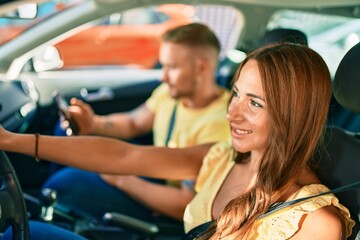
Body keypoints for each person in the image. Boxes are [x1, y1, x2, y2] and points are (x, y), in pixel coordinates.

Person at [0, 43, 355, 239]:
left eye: (255, 103)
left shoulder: (315, 223)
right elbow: (123, 157)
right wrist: (13, 141)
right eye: (235, 95)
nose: (232, 114)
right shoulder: (222, 158)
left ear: (293, 114)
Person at [42, 22, 231, 222]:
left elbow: (186, 204)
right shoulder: (171, 94)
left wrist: (120, 178)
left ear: (202, 67)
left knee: (63, 183)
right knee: (68, 132)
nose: (163, 76)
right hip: (156, 175)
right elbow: (134, 122)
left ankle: (48, 211)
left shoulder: (220, 123)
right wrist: (93, 124)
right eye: (163, 65)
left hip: (167, 205)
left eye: (172, 67)